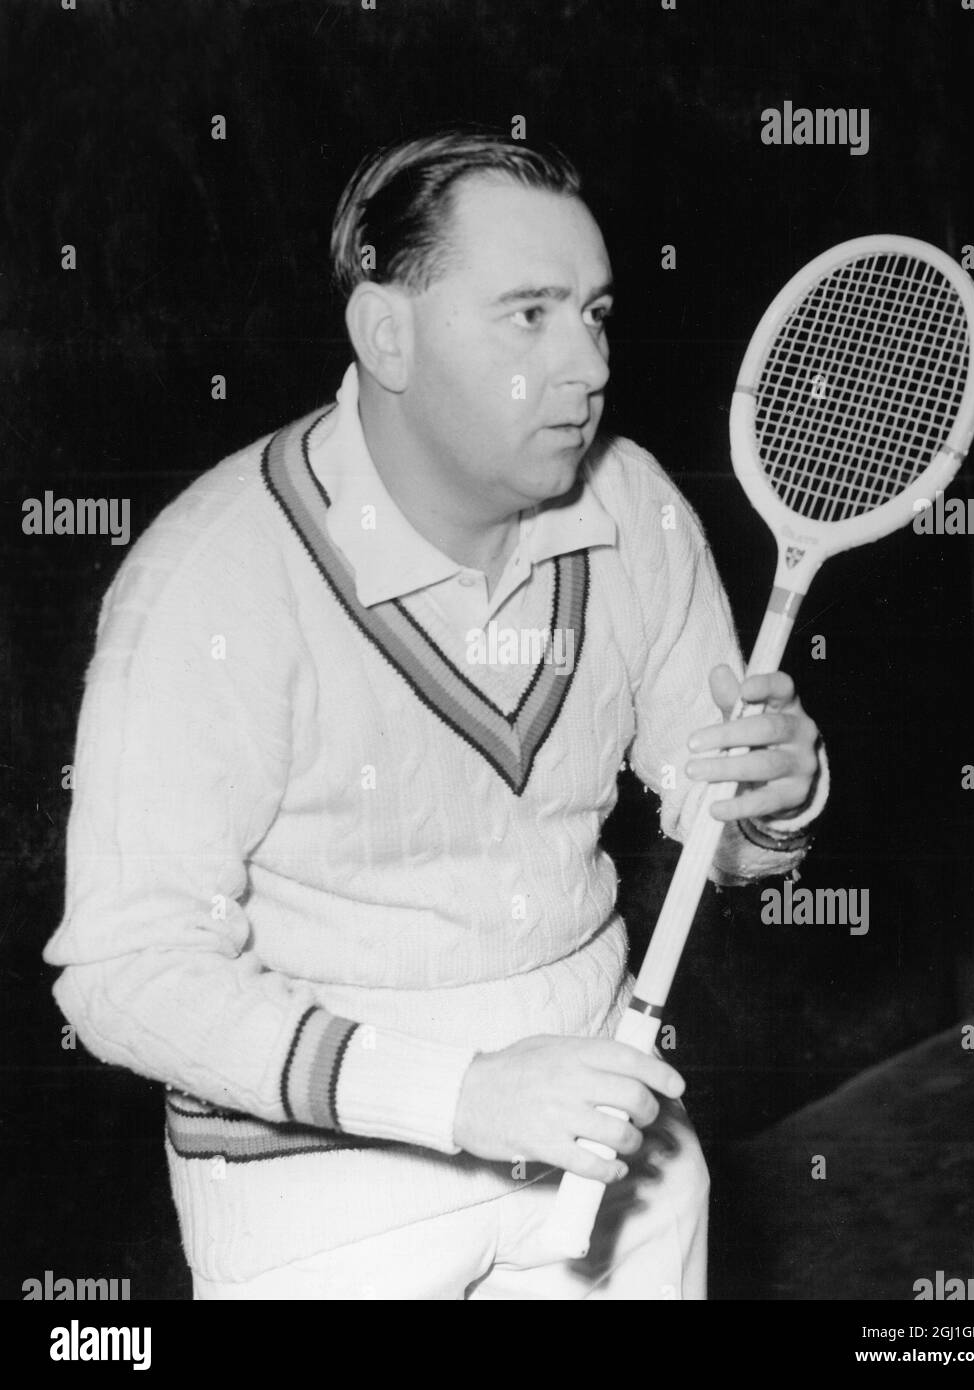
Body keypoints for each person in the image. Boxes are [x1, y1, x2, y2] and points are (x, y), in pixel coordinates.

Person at [44, 128, 827, 1300]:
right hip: (320, 1191)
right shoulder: (209, 579)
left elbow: (729, 834)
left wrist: (779, 799)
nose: (588, 364)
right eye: (529, 315)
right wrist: (458, 1093)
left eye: (596, 313)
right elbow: (122, 973)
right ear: (386, 332)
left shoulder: (635, 508)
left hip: (605, 1148)